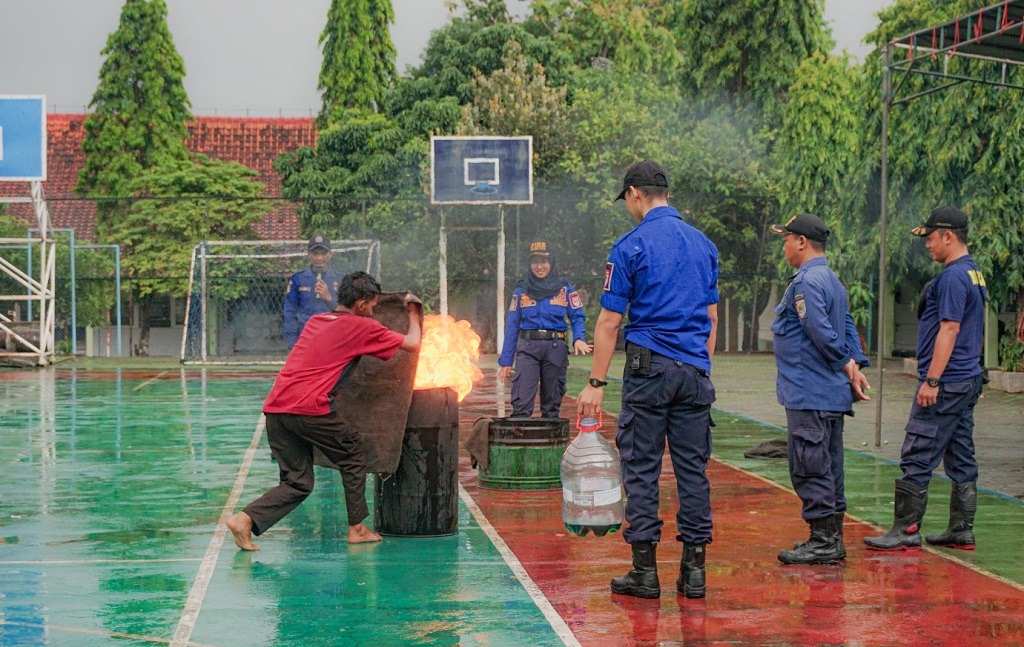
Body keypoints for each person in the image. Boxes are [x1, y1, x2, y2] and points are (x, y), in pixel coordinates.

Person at [577, 160, 719, 600]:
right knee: (693, 471)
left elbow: (608, 323)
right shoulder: (704, 245)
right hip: (695, 373)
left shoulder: (629, 247)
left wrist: (595, 385)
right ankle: (694, 575)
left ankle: (645, 573)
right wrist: (698, 365)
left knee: (641, 468)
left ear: (635, 193)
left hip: (649, 371)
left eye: (627, 200)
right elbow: (711, 318)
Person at [227, 271, 421, 551]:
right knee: (353, 455)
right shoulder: (361, 326)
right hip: (309, 409)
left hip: (276, 409)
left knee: (298, 482)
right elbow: (412, 344)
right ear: (361, 305)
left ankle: (244, 519)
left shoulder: (317, 320)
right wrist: (414, 314)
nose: (375, 310)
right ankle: (357, 529)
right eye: (373, 305)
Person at [865, 206, 987, 551]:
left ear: (949, 236)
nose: (928, 246)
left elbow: (950, 328)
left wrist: (932, 381)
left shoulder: (951, 277)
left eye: (931, 238)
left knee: (918, 451)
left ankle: (905, 530)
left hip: (947, 382)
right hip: (966, 380)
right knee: (960, 454)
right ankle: (961, 529)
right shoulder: (973, 273)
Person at [768, 213, 871, 565]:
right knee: (828, 464)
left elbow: (821, 332)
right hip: (825, 392)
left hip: (809, 390)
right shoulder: (830, 279)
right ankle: (831, 539)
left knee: (810, 464)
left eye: (786, 239)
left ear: (801, 242)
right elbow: (846, 324)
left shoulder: (807, 282)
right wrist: (854, 364)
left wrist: (847, 364)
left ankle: (824, 541)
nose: (783, 245)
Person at [498, 240, 593, 418]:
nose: (539, 266)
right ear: (529, 264)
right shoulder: (521, 291)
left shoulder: (565, 289)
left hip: (555, 349)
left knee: (552, 405)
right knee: (521, 404)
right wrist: (505, 362)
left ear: (552, 263)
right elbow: (512, 326)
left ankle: (551, 445)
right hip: (527, 348)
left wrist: (578, 338)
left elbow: (577, 315)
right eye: (535, 261)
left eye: (544, 261)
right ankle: (521, 443)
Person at [283, 234, 343, 348]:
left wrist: (329, 298)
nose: (319, 258)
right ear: (309, 254)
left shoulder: (341, 280)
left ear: (330, 254)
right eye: (315, 253)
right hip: (306, 339)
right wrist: (293, 342)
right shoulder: (298, 279)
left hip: (333, 338)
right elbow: (289, 312)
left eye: (323, 253)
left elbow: (348, 312)